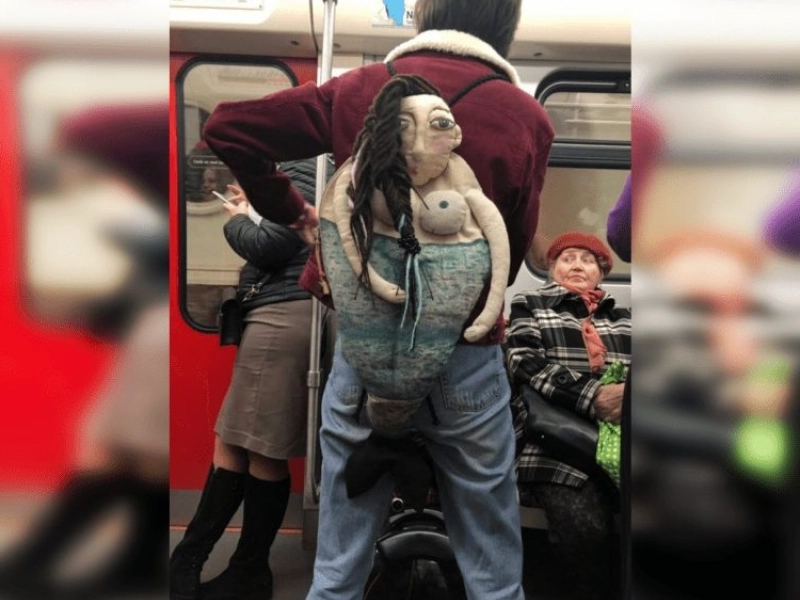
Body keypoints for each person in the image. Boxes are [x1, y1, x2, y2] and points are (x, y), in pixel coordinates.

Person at [202, 1, 555, 598]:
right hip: (465, 357)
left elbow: (228, 128)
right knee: (492, 568)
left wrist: (295, 213)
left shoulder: (361, 88)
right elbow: (513, 247)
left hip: (365, 351)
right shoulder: (525, 115)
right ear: (508, 24)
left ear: (423, 13)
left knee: (338, 566)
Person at [169, 159, 319, 600]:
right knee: (238, 441)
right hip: (277, 314)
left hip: (282, 316)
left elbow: (270, 245)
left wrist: (237, 219)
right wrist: (256, 204)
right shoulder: (296, 170)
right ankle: (206, 562)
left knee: (259, 447)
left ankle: (240, 568)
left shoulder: (303, 169)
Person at [505, 232, 631, 600]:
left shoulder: (625, 318)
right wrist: (595, 396)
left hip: (623, 437)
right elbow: (524, 362)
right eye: (568, 258)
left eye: (587, 260)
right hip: (555, 442)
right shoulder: (530, 304)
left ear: (601, 273)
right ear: (552, 268)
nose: (577, 265)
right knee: (585, 528)